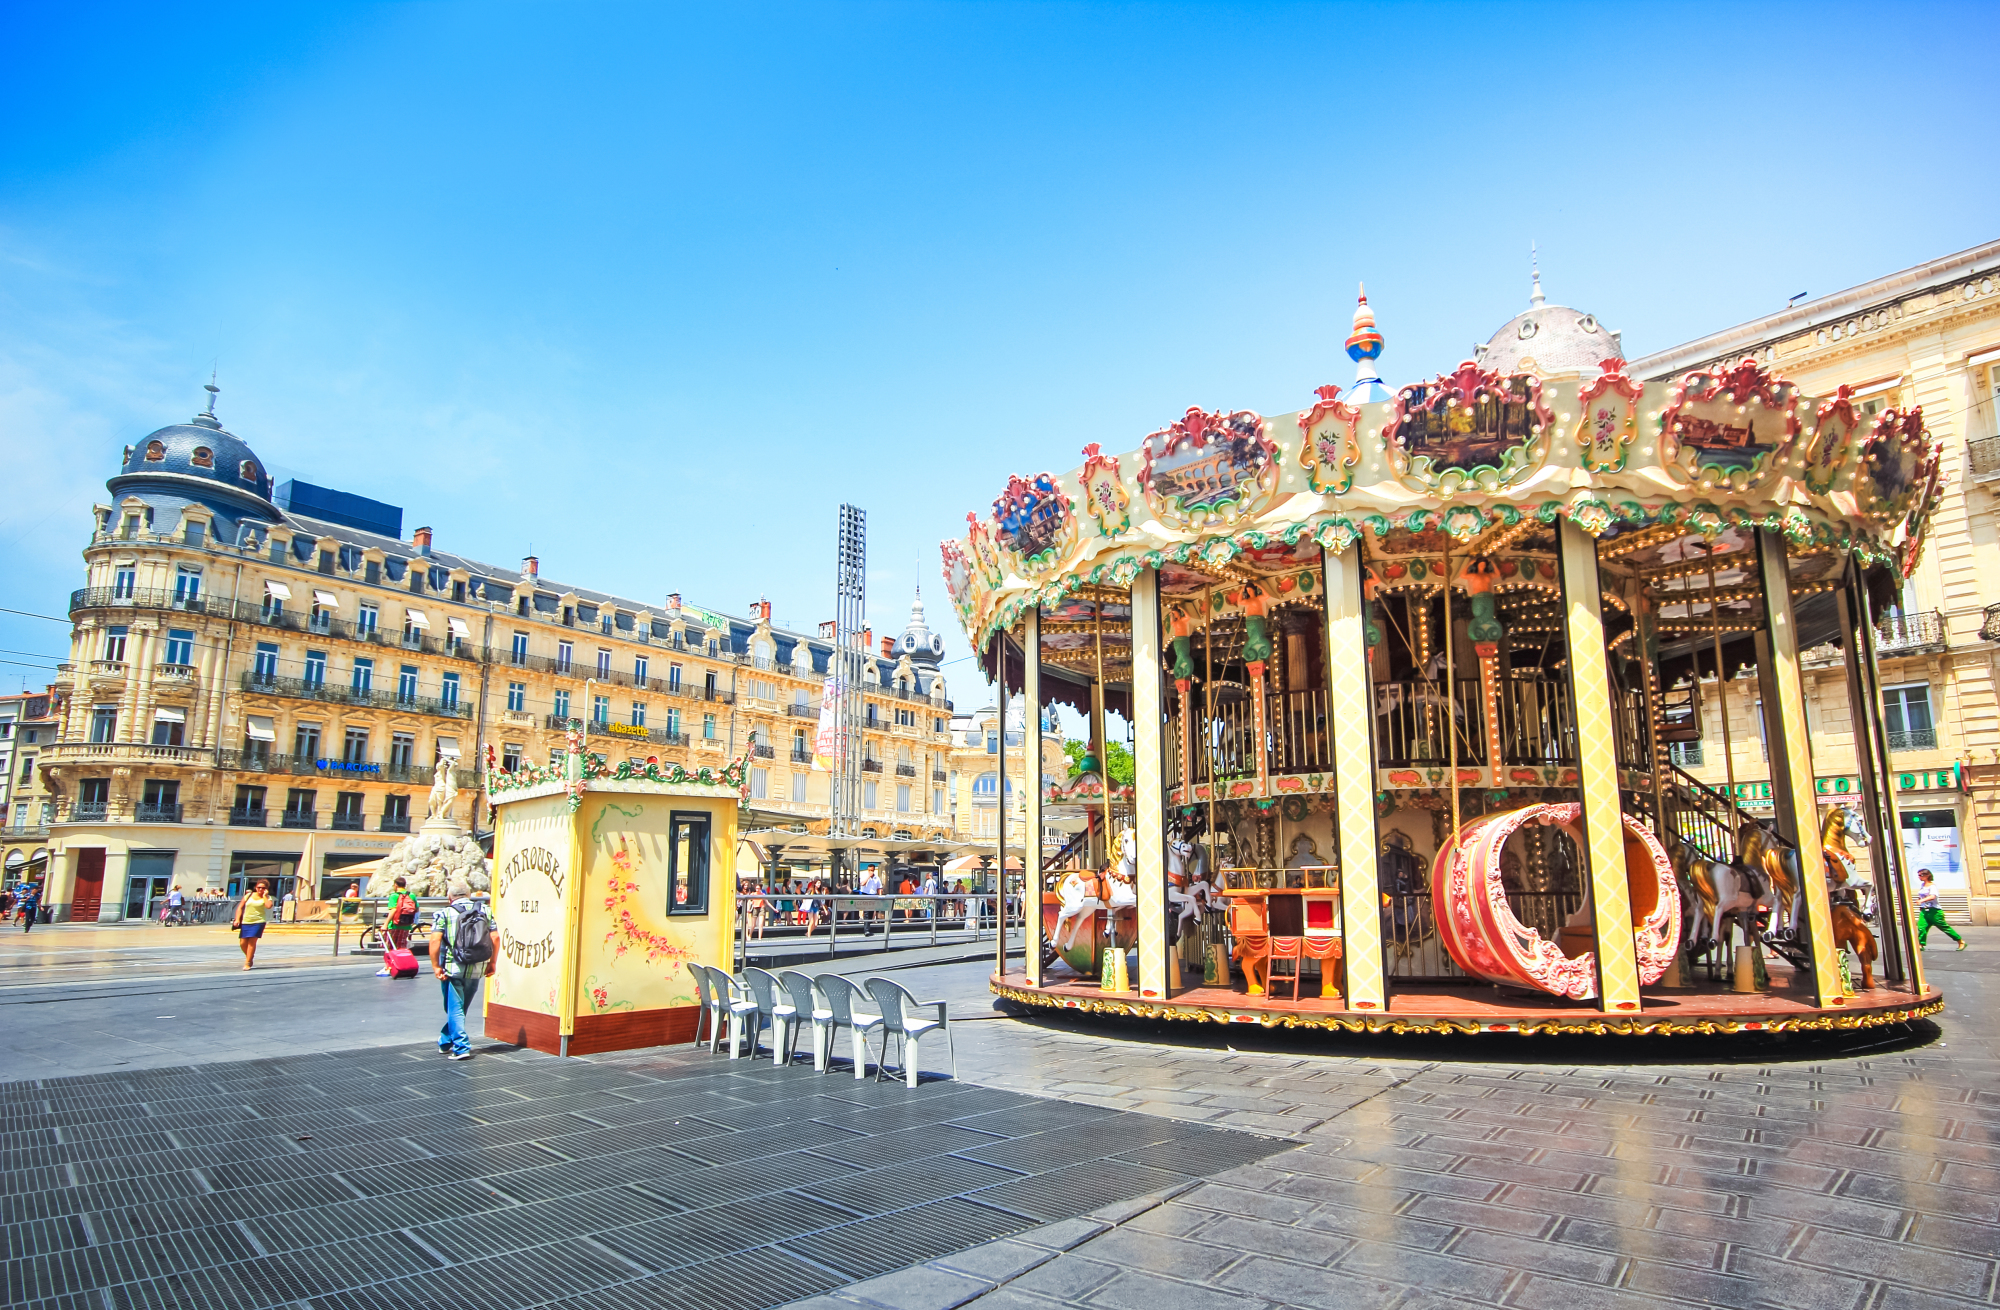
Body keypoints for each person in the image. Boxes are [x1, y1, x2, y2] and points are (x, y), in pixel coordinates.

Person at [431, 877, 493, 1059]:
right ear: (469, 895)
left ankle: (461, 1047)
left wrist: (435, 966)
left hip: (453, 966)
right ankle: (445, 1041)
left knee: (454, 1007)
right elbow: (495, 938)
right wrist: (493, 962)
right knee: (459, 1007)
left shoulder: (444, 913)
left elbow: (435, 941)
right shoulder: (486, 911)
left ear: (450, 898)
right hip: (477, 965)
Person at [377, 876, 419, 976]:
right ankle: (403, 966)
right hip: (406, 925)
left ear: (395, 885)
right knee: (402, 947)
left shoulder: (394, 896)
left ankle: (389, 967)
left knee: (390, 947)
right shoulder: (411, 895)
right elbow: (416, 909)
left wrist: (385, 924)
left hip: (394, 925)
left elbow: (393, 910)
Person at [1914, 870, 1966, 950]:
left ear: (1927, 875)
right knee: (1921, 927)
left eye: (1920, 875)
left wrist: (1921, 901)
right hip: (1924, 910)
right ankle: (1921, 944)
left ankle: (1960, 941)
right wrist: (1920, 902)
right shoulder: (1922, 885)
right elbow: (1921, 895)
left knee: (1944, 927)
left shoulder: (1932, 886)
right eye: (1919, 875)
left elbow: (1932, 896)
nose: (1919, 877)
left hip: (1935, 911)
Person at [233, 880, 274, 968]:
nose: (260, 889)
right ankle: (250, 956)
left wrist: (264, 896)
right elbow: (240, 907)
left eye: (263, 888)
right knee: (242, 943)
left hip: (258, 922)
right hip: (246, 921)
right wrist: (237, 919)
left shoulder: (267, 897)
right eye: (259, 887)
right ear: (255, 887)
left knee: (252, 942)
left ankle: (247, 963)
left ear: (266, 889)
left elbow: (268, 906)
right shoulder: (248, 895)